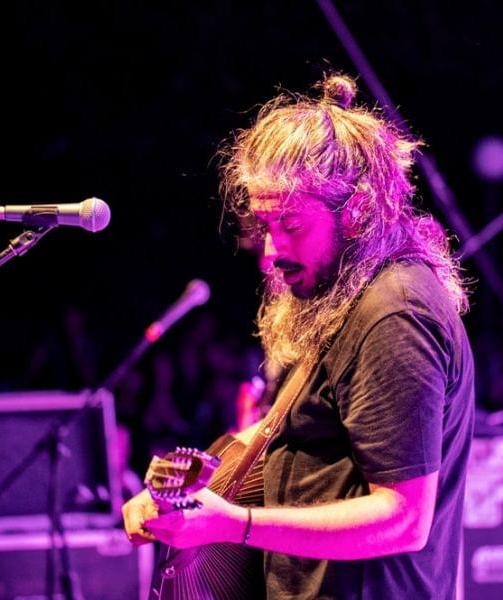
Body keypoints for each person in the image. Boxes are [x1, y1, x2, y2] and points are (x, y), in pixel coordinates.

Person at [122, 74, 475, 599]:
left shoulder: (393, 313)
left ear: (356, 212)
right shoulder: (342, 295)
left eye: (291, 225)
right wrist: (177, 492)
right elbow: (295, 430)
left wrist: (233, 524)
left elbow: (403, 518)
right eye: (264, 227)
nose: (271, 252)